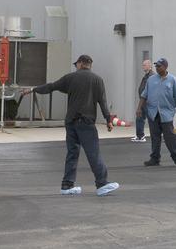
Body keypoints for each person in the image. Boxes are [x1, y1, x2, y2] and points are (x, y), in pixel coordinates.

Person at [21, 54, 119, 196]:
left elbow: (51, 86)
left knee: (72, 153)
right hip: (86, 122)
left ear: (79, 64)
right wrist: (108, 120)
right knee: (93, 152)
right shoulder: (97, 80)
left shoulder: (70, 78)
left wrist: (33, 89)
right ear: (89, 64)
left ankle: (67, 185)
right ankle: (102, 183)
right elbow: (102, 102)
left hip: (71, 122)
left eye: (76, 65)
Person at [137, 57, 176, 167]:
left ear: (165, 67)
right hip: (153, 112)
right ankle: (155, 158)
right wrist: (139, 108)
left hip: (166, 113)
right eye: (156, 66)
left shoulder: (172, 80)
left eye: (159, 66)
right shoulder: (151, 80)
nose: (157, 68)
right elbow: (144, 95)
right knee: (155, 136)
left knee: (170, 136)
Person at [132, 59, 152, 143]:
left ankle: (158, 136)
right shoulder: (146, 76)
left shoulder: (151, 76)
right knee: (139, 118)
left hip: (148, 102)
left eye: (145, 65)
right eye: (143, 65)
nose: (143, 66)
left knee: (152, 120)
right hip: (143, 102)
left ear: (149, 66)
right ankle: (140, 135)